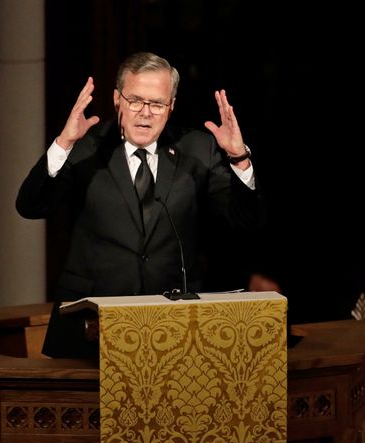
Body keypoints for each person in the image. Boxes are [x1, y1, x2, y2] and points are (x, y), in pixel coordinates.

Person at [16, 52, 265, 358]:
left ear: (171, 106)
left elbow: (245, 220)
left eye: (157, 103)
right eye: (135, 100)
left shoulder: (198, 149)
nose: (145, 113)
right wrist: (63, 144)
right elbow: (30, 206)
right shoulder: (86, 146)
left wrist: (239, 158)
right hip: (91, 327)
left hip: (174, 329)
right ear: (117, 99)